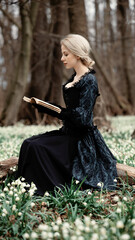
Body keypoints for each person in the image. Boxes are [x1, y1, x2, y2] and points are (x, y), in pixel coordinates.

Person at [17, 34, 117, 196]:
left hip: (80, 140)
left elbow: (83, 119)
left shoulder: (89, 80)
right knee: (28, 143)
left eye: (66, 54)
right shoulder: (74, 78)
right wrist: (47, 108)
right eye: (62, 53)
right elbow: (69, 112)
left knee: (36, 146)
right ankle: (24, 187)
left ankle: (48, 188)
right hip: (67, 133)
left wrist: (59, 111)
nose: (62, 58)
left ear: (77, 54)